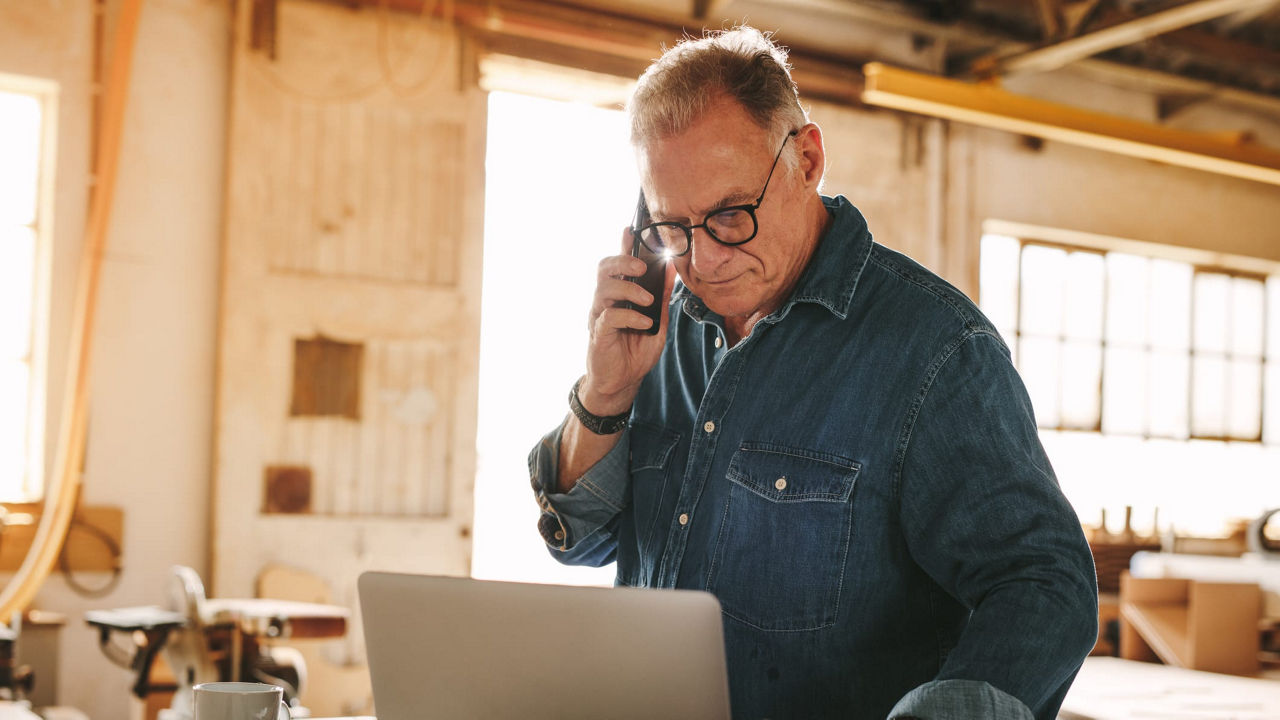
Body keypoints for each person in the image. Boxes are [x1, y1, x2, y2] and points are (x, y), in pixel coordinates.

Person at [527, 26, 1098, 720]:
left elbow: (1045, 583)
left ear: (807, 157)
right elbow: (582, 543)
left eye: (730, 215)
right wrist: (606, 395)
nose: (703, 260)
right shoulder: (659, 329)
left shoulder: (936, 352)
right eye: (672, 227)